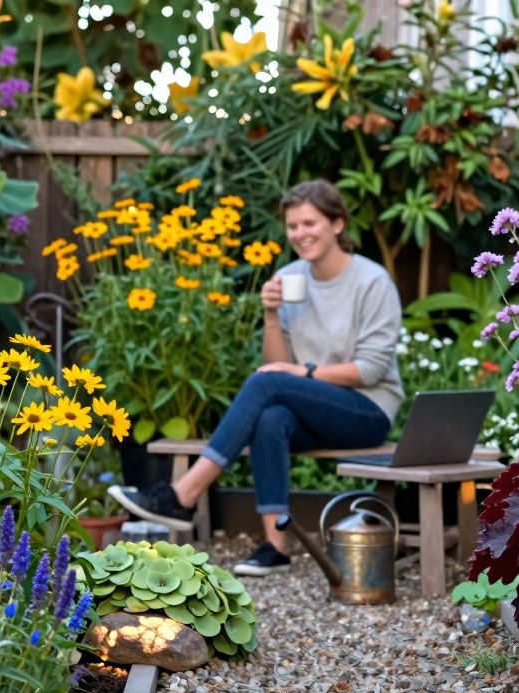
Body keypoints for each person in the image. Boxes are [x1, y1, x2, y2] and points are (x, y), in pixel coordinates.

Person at [110, 179, 404, 575]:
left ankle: (184, 493)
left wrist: (302, 371)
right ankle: (275, 546)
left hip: (367, 411)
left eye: (309, 223)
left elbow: (370, 369)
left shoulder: (372, 281)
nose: (299, 233)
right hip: (313, 409)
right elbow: (276, 364)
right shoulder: (289, 277)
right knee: (271, 416)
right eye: (292, 226)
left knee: (268, 384)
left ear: (337, 224)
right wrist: (270, 317)